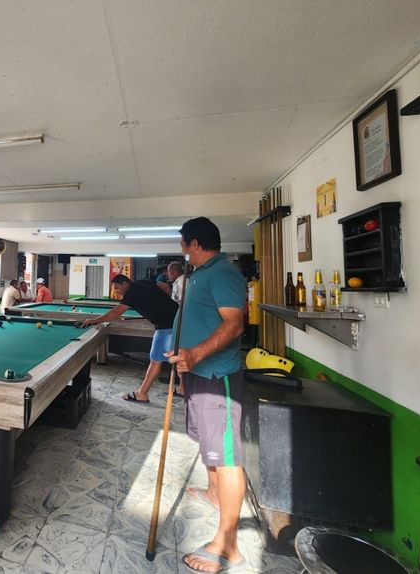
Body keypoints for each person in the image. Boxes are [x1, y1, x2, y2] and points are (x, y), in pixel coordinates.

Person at [165, 217, 248, 573]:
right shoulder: (199, 273)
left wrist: (196, 354)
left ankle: (228, 545)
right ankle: (214, 493)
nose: (182, 249)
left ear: (195, 244)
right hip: (197, 375)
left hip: (216, 377)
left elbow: (234, 324)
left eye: (183, 243)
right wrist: (186, 364)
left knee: (226, 456)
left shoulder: (223, 273)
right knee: (208, 444)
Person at [81, 274, 178, 403]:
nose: (117, 291)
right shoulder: (143, 281)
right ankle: (182, 389)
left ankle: (142, 393)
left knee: (155, 359)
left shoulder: (131, 293)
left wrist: (95, 320)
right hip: (177, 317)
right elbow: (165, 286)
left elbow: (116, 312)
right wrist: (164, 304)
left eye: (117, 288)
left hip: (166, 325)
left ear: (125, 283)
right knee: (179, 354)